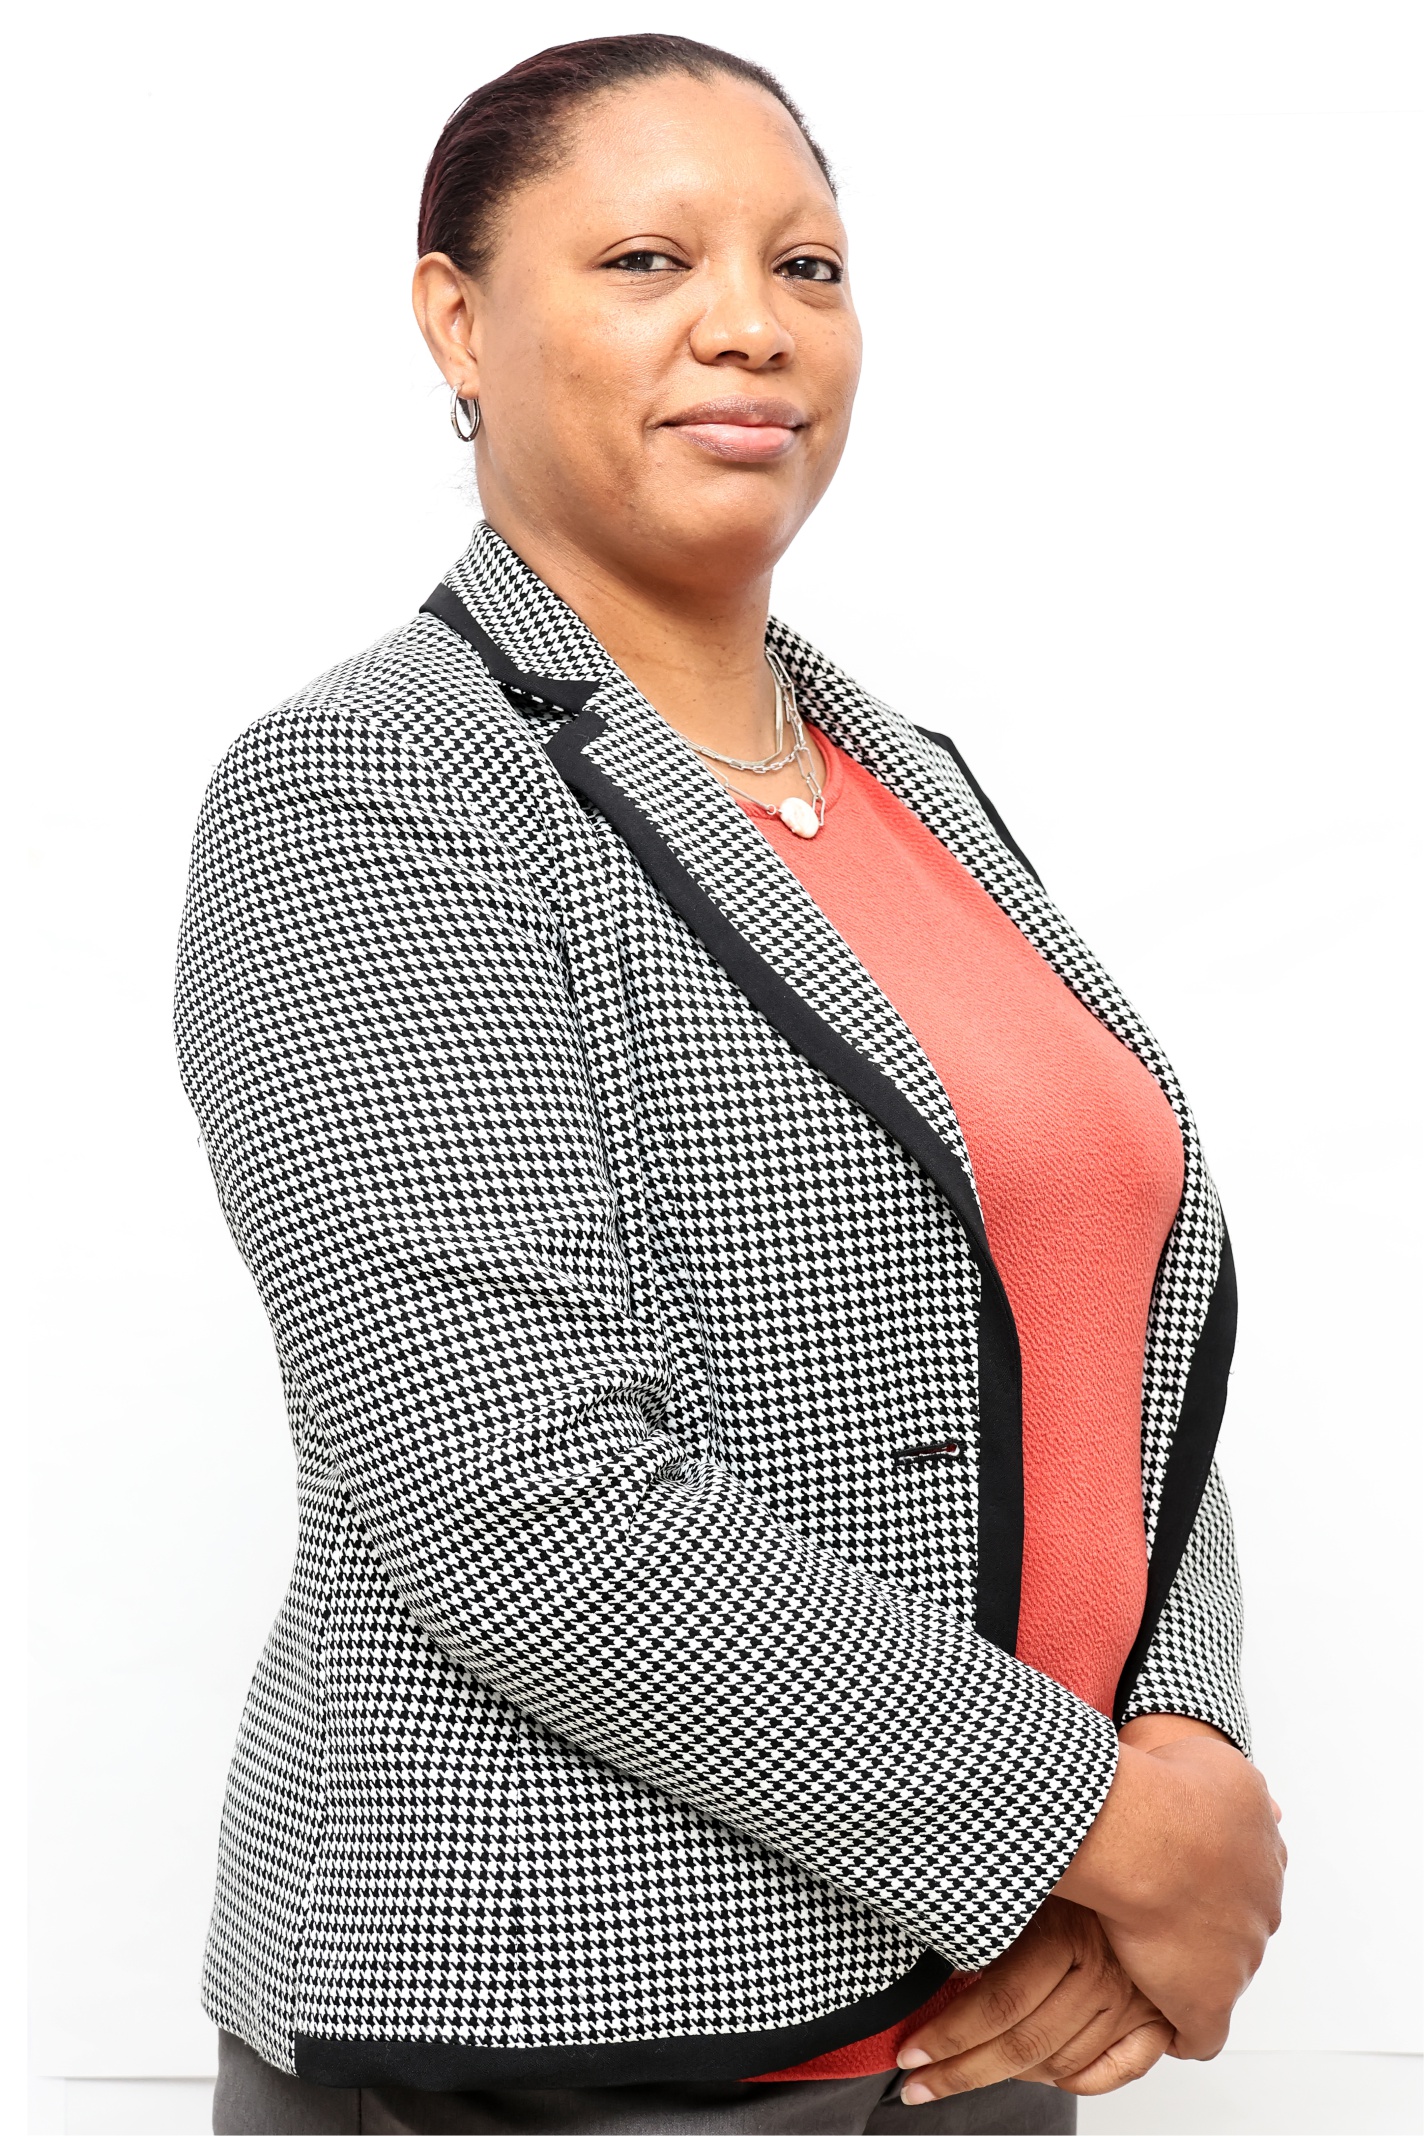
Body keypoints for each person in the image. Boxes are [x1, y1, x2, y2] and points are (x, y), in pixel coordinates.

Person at [179, 34, 1285, 2136]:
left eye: (807, 264)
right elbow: (512, 1492)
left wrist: (1190, 1752)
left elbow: (1117, 1337)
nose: (750, 325)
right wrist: (1107, 1827)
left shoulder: (913, 785)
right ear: (456, 322)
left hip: (983, 2007)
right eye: (644, 258)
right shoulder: (373, 789)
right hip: (568, 2043)